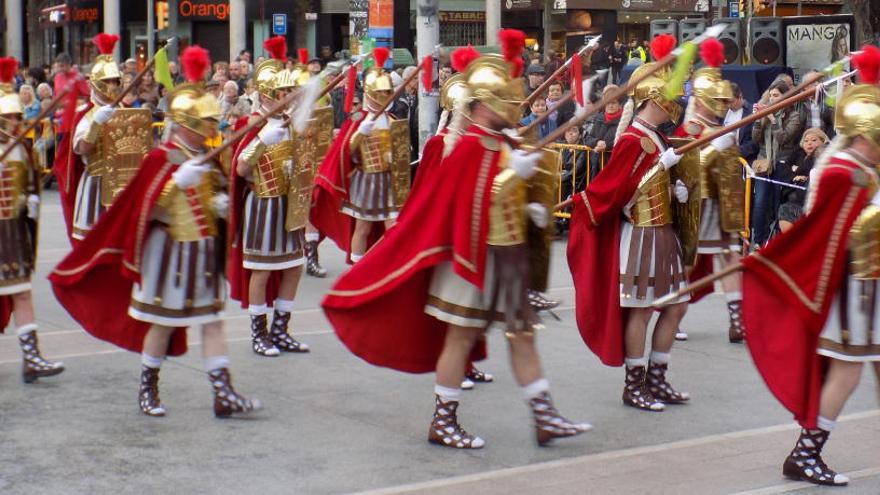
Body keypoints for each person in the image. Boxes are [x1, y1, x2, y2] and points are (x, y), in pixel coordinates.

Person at [323, 31, 591, 449]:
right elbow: (470, 203)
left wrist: (531, 205)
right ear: (484, 105)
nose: (513, 108)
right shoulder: (464, 148)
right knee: (460, 337)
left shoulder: (504, 142)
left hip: (506, 256)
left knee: (522, 335)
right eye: (504, 101)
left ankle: (545, 416)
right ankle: (442, 420)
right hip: (469, 258)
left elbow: (507, 194)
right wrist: (511, 177)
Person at [49, 46, 260, 418]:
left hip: (201, 254)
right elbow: (148, 209)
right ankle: (149, 384)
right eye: (204, 127)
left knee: (212, 321)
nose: (210, 133)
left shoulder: (205, 158)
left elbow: (215, 203)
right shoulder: (162, 158)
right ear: (185, 126)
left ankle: (223, 392)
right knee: (161, 324)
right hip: (168, 256)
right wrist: (177, 183)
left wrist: (221, 206)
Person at [739, 45, 880, 487]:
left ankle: (806, 451)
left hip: (869, 284)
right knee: (847, 369)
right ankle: (806, 452)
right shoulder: (844, 171)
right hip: (852, 286)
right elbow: (831, 232)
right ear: (865, 134)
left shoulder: (860, 168)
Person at [568, 34, 691, 413]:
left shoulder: (656, 135)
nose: (676, 105)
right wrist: (660, 169)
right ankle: (634, 384)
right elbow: (617, 194)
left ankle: (657, 376)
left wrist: (676, 186)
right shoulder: (634, 139)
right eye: (670, 99)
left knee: (675, 306)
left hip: (664, 231)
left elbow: (652, 183)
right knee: (640, 308)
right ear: (655, 99)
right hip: (639, 233)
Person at [228, 36, 310, 357]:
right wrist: (262, 139)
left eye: (291, 91)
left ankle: (281, 329)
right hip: (263, 202)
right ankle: (259, 333)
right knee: (261, 269)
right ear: (268, 93)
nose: (290, 96)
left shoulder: (291, 123)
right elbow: (241, 170)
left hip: (290, 202)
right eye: (285, 92)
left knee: (294, 265)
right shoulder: (251, 123)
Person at [672, 40, 746, 344]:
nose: (721, 104)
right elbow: (688, 168)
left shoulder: (721, 127)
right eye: (714, 99)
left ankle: (737, 318)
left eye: (723, 100)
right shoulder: (688, 130)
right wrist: (715, 148)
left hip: (721, 202)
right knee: (688, 260)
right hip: (695, 203)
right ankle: (672, 315)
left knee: (730, 256)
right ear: (701, 99)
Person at [311, 47, 410, 264]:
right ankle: (356, 268)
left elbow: (401, 151)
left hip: (389, 180)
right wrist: (361, 132)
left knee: (393, 225)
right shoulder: (359, 120)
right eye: (380, 93)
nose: (384, 97)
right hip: (366, 179)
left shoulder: (393, 119)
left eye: (387, 93)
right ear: (370, 94)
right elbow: (347, 152)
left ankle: (389, 265)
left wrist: (399, 154)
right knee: (363, 227)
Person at [0, 57, 65, 384]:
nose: (14, 122)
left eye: (15, 116)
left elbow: (27, 183)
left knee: (22, 291)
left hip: (13, 231)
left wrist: (33, 198)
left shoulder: (21, 149)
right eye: (8, 117)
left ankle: (31, 357)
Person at [54, 33, 125, 241]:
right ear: (95, 83)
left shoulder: (126, 111)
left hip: (122, 183)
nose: (112, 86)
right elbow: (81, 148)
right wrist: (96, 123)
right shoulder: (85, 115)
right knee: (92, 241)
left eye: (115, 81)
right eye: (107, 81)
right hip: (96, 180)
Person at [751, 80, 804, 246]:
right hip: (763, 162)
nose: (772, 99)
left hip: (782, 163)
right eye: (771, 95)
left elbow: (784, 139)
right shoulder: (765, 112)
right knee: (760, 202)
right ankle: (759, 241)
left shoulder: (794, 115)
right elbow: (755, 139)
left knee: (777, 203)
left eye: (776, 95)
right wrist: (758, 120)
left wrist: (773, 120)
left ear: (785, 96)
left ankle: (778, 242)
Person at [776, 128, 828, 232]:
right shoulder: (798, 153)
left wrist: (796, 170)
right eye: (806, 141)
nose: (809, 143)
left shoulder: (823, 156)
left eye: (814, 140)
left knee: (785, 210)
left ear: (823, 141)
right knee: (784, 208)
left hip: (810, 203)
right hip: (792, 198)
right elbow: (784, 170)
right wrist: (794, 177)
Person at [582, 84, 622, 179]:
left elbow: (624, 141)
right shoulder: (598, 118)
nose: (610, 106)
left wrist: (607, 145)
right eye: (608, 103)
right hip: (596, 165)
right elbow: (587, 138)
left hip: (614, 166)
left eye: (614, 103)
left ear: (619, 104)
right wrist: (597, 142)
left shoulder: (626, 120)